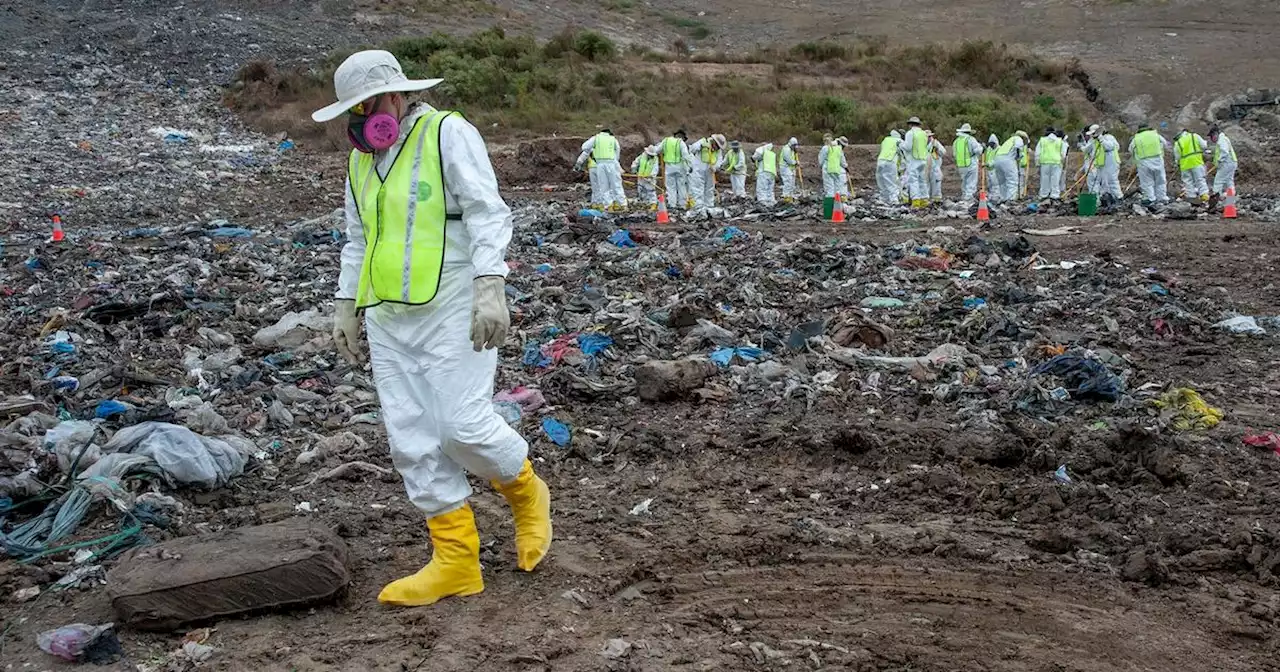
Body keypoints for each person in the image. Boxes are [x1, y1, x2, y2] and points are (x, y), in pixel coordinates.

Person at [313, 50, 551, 608]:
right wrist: (346, 302)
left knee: (461, 427)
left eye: (367, 104)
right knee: (412, 437)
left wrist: (491, 283)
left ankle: (525, 490)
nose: (362, 117)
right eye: (353, 109)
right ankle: (456, 561)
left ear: (397, 97)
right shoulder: (361, 162)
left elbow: (488, 212)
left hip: (451, 301)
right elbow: (357, 236)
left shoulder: (447, 133)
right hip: (388, 315)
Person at [575, 128, 625, 211]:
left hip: (594, 167)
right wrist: (619, 168)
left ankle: (599, 203)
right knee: (612, 185)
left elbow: (584, 151)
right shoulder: (612, 141)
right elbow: (616, 156)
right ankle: (617, 204)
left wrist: (578, 163)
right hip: (604, 165)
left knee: (599, 187)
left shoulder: (595, 140)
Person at [1128, 122, 1171, 203]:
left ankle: (1151, 199)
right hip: (1157, 160)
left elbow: (1130, 149)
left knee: (1147, 183)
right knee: (1160, 181)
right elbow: (1165, 144)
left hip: (1144, 162)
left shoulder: (1136, 138)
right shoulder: (1155, 134)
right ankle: (1162, 198)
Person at [688, 133, 726, 210]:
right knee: (698, 189)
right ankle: (698, 207)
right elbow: (691, 149)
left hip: (710, 172)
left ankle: (709, 207)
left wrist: (715, 167)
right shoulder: (702, 141)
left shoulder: (718, 151)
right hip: (698, 171)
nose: (717, 148)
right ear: (714, 142)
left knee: (709, 190)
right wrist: (700, 146)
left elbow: (719, 159)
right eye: (717, 146)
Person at [1173, 129, 1210, 203]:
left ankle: (1191, 197)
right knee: (1200, 179)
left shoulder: (1178, 143)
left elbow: (1177, 157)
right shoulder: (1194, 136)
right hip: (1196, 162)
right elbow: (1204, 145)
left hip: (1185, 165)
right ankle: (1204, 196)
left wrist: (1178, 164)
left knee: (1188, 182)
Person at [992, 131, 1029, 203]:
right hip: (1008, 160)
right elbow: (1018, 148)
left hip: (997, 160)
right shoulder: (1018, 139)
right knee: (1012, 181)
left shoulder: (1009, 140)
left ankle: (1003, 199)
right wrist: (1019, 156)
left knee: (1002, 182)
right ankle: (1010, 200)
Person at [900, 116, 929, 207]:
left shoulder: (910, 133)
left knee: (913, 181)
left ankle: (916, 201)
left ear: (910, 124)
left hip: (913, 160)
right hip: (923, 160)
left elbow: (908, 147)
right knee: (922, 180)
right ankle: (924, 200)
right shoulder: (923, 133)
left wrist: (900, 144)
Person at [660, 129, 692, 209]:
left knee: (671, 187)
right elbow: (685, 156)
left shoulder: (665, 141)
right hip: (680, 168)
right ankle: (682, 204)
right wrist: (690, 167)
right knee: (681, 186)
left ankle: (672, 204)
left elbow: (657, 150)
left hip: (669, 168)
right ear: (682, 137)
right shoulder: (680, 143)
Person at [953, 123, 983, 202]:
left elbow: (954, 154)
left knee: (964, 183)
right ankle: (969, 200)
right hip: (971, 164)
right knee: (971, 183)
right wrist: (982, 147)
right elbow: (978, 151)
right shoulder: (970, 139)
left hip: (961, 165)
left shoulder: (956, 141)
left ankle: (964, 197)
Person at [1034, 127, 1064, 200]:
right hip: (1056, 162)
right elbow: (1063, 154)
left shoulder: (1042, 140)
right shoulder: (1060, 141)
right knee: (1055, 179)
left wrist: (1037, 164)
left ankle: (1044, 194)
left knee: (1044, 179)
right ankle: (1055, 195)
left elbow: (1037, 153)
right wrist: (1062, 163)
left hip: (1045, 162)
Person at [1208, 125, 1237, 199]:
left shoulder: (1222, 140)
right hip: (1231, 162)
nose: (1211, 139)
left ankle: (1216, 198)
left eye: (1211, 137)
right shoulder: (1223, 139)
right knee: (1229, 181)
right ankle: (1231, 198)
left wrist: (1219, 160)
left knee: (1218, 181)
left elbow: (1224, 152)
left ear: (1215, 134)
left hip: (1226, 163)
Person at [875, 130, 903, 205]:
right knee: (891, 181)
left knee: (881, 181)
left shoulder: (886, 139)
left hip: (880, 161)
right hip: (891, 161)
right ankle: (894, 200)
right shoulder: (899, 141)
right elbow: (902, 155)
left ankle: (884, 199)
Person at [818, 135, 849, 199]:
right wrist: (846, 167)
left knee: (829, 189)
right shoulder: (838, 148)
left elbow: (821, 159)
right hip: (835, 171)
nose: (843, 147)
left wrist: (820, 166)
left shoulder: (827, 147)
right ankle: (836, 206)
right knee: (836, 190)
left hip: (828, 170)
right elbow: (842, 160)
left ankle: (830, 207)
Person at [631, 144, 660, 209]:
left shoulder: (655, 159)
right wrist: (634, 168)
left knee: (651, 191)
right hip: (641, 177)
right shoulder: (642, 156)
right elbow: (636, 162)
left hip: (650, 178)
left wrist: (651, 176)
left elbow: (655, 168)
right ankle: (644, 203)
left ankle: (653, 203)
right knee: (641, 190)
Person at [752, 142, 779, 206]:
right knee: (770, 189)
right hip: (772, 173)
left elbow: (755, 156)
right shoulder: (772, 154)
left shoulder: (762, 150)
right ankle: (771, 201)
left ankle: (762, 201)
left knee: (762, 188)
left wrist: (753, 158)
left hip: (764, 171)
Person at [925, 131, 947, 203]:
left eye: (929, 136)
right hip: (925, 168)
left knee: (936, 185)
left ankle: (936, 201)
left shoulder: (935, 143)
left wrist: (937, 149)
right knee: (926, 185)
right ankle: (927, 200)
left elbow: (943, 152)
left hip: (935, 168)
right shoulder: (921, 144)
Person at [780, 137, 800, 202]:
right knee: (788, 183)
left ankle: (791, 196)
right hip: (785, 168)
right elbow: (789, 160)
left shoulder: (792, 150)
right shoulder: (786, 149)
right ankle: (786, 197)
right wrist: (795, 162)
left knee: (792, 183)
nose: (795, 147)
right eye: (794, 146)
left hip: (790, 168)